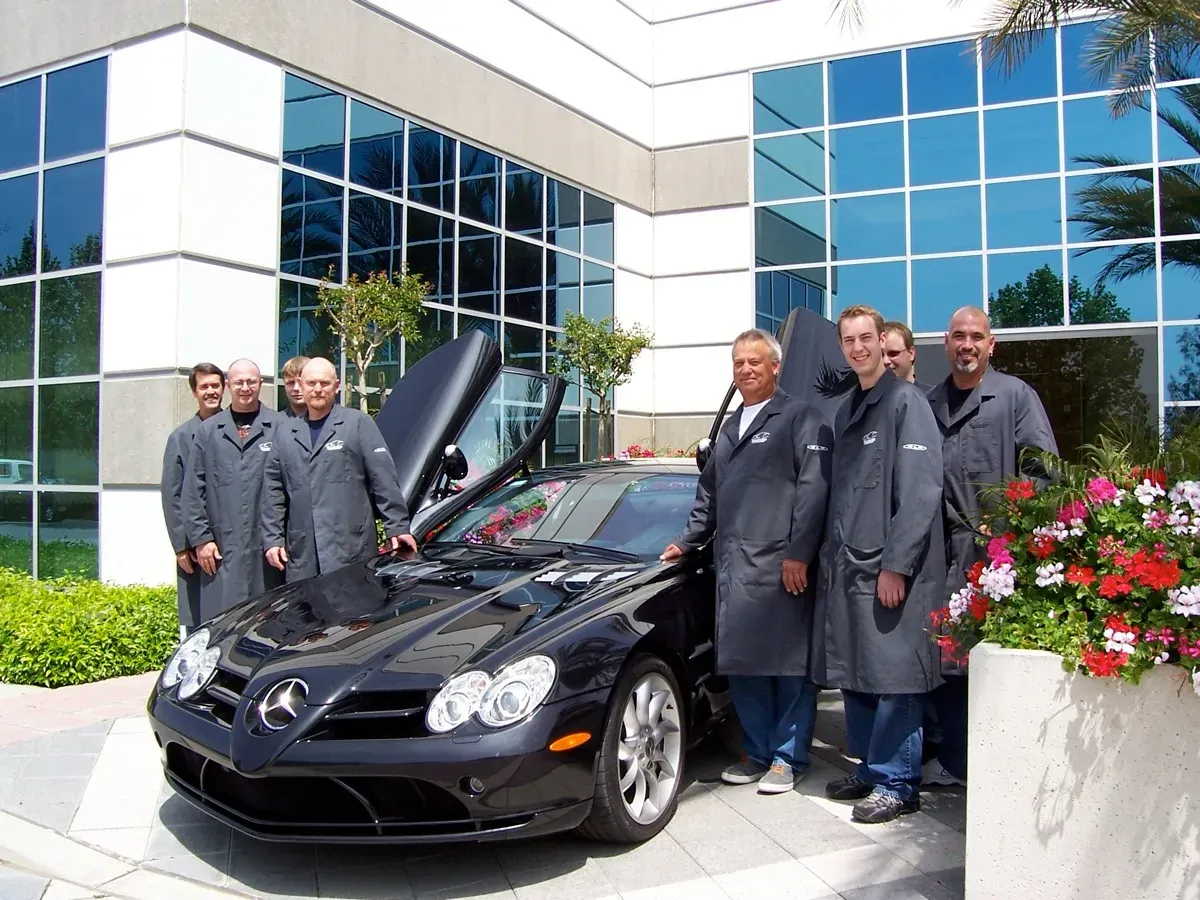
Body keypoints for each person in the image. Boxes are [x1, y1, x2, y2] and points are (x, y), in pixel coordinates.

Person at [661, 328, 833, 794]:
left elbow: (814, 492)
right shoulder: (731, 427)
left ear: (776, 367)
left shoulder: (801, 417)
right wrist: (686, 541)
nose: (746, 370)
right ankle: (758, 753)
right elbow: (710, 494)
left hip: (782, 569)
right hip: (734, 571)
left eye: (755, 362)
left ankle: (788, 758)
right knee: (744, 666)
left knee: (788, 666)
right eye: (739, 363)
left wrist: (799, 554)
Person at [814, 304, 946, 824]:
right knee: (857, 673)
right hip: (849, 570)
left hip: (889, 572)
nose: (859, 348)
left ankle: (898, 782)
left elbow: (919, 491)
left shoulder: (905, 402)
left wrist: (897, 565)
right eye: (849, 341)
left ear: (880, 340)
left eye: (866, 338)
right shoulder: (849, 408)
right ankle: (871, 767)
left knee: (894, 679)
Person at [923, 306, 1058, 788]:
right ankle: (956, 765)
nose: (967, 345)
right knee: (943, 663)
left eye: (976, 337)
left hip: (996, 562)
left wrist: (1010, 535)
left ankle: (998, 768)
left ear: (990, 345)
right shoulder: (929, 401)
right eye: (958, 336)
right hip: (938, 559)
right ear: (946, 342)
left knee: (995, 664)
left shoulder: (1015, 397)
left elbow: (1044, 473)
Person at [262, 357, 417, 581]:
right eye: (311, 383)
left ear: (336, 386)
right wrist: (273, 539)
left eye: (324, 384)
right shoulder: (285, 433)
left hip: (351, 549)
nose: (317, 389)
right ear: (301, 386)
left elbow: (383, 479)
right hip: (303, 554)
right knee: (305, 614)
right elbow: (273, 491)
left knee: (354, 614)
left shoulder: (357, 424)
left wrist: (397, 527)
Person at [182, 358, 284, 624]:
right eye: (239, 382)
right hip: (221, 550)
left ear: (261, 384)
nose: (245, 387)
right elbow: (193, 491)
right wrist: (201, 540)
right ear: (229, 385)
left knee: (268, 622)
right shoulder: (207, 432)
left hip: (267, 548)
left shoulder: (281, 427)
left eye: (251, 381)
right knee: (221, 626)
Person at [160, 362, 225, 637]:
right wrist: (181, 546)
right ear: (194, 392)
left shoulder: (238, 428)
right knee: (199, 622)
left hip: (234, 540)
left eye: (215, 385)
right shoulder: (181, 438)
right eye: (204, 387)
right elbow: (172, 493)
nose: (211, 391)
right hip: (197, 545)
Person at [882, 321, 931, 393]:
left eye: (893, 354)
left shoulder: (932, 399)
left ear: (911, 353)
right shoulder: (863, 400)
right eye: (880, 355)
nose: (885, 361)